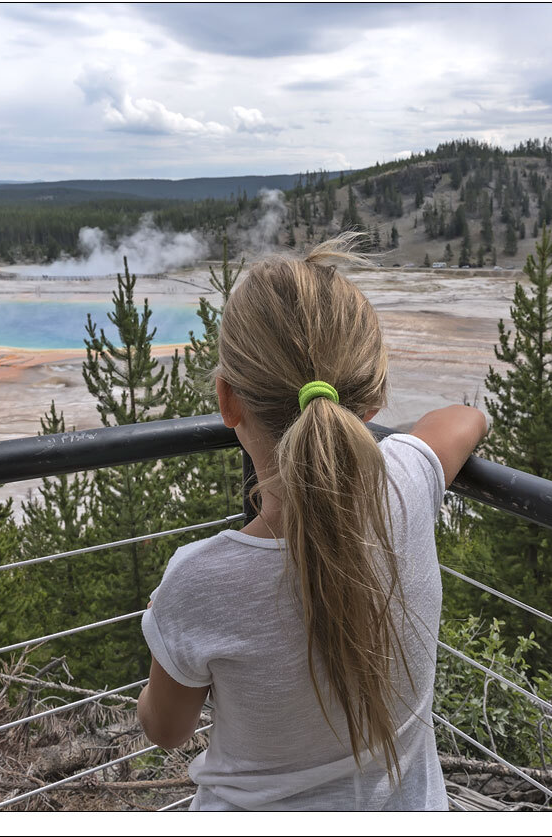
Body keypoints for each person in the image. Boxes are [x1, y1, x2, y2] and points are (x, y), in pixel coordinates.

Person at [137, 234, 489, 811]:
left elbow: (165, 730)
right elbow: (463, 419)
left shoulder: (197, 582)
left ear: (228, 402)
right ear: (371, 404)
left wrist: (164, 631)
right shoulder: (405, 484)